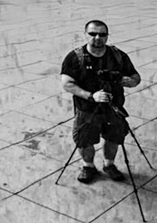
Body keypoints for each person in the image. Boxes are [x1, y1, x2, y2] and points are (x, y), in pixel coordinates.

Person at [60, 20, 141, 183]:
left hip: (114, 108)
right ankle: (88, 166)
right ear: (85, 35)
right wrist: (91, 96)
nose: (97, 37)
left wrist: (131, 81)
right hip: (87, 109)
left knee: (114, 138)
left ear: (107, 36)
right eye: (93, 34)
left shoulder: (118, 56)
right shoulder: (75, 57)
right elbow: (67, 83)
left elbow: (136, 77)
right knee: (84, 140)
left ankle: (109, 164)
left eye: (102, 34)